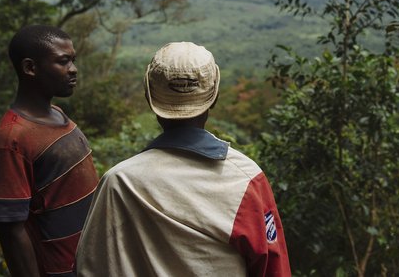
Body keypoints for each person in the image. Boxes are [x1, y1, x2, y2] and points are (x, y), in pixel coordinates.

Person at [76, 41, 291, 276]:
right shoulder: (245, 179)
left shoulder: (118, 182)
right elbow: (273, 268)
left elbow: (90, 265)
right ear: (215, 97)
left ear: (149, 97)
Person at [0, 25, 99, 277]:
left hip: (91, 261)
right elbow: (11, 229)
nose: (73, 69)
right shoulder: (11, 139)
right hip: (61, 270)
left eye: (73, 60)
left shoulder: (58, 113)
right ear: (30, 68)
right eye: (63, 61)